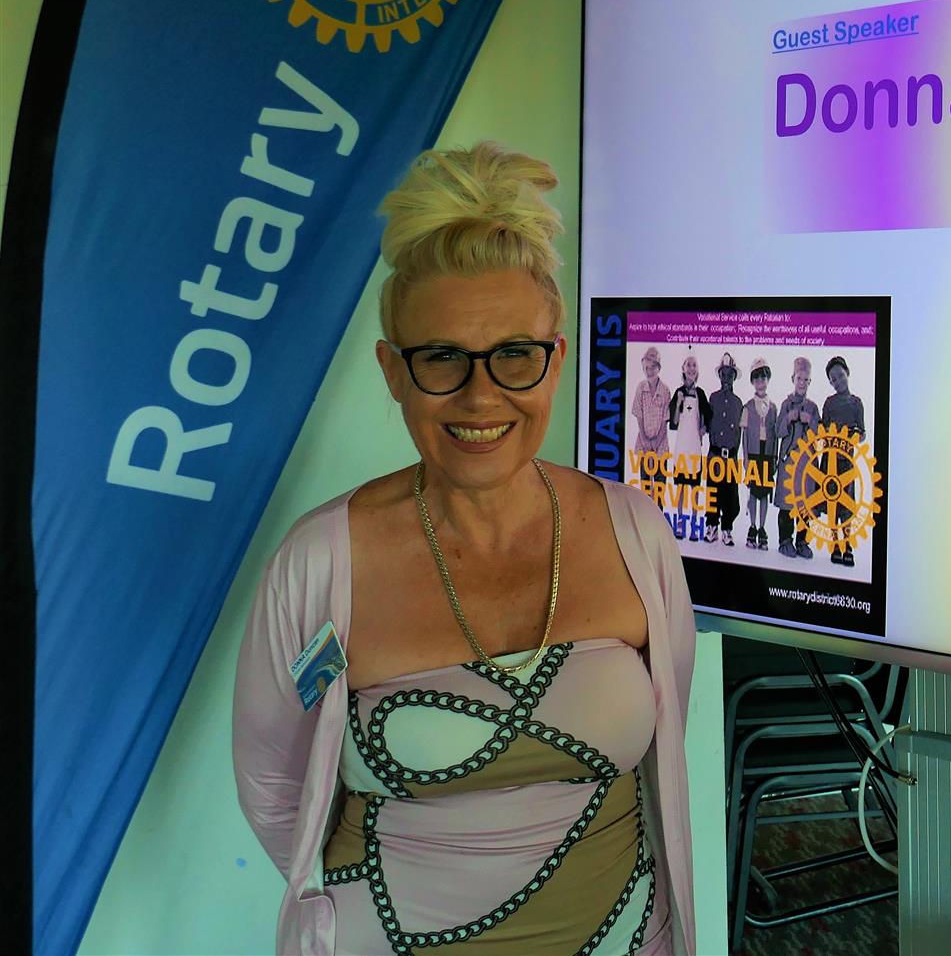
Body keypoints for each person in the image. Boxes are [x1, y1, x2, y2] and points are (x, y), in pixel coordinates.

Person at [232, 143, 695, 956]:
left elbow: (666, 741)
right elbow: (275, 785)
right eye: (441, 357)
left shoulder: (635, 534)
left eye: (514, 354)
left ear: (555, 361)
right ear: (393, 371)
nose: (481, 397)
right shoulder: (322, 565)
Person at [819, 355, 867, 568]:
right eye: (833, 379)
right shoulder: (829, 403)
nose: (838, 381)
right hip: (830, 460)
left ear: (847, 373)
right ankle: (835, 545)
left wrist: (855, 434)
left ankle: (847, 546)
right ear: (830, 383)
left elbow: (862, 433)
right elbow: (822, 430)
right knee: (832, 503)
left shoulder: (857, 403)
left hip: (847, 461)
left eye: (840, 376)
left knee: (847, 505)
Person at [773, 356, 819, 559]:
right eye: (799, 378)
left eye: (806, 379)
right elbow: (778, 431)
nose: (802, 383)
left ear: (810, 382)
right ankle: (785, 541)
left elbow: (820, 436)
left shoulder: (813, 408)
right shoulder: (786, 404)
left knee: (805, 505)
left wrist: (811, 422)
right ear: (793, 378)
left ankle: (802, 542)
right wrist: (788, 418)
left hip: (807, 465)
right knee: (787, 504)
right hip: (788, 462)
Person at [667, 354, 711, 543]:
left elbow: (707, 417)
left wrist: (704, 428)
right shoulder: (678, 392)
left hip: (694, 446)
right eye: (688, 365)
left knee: (694, 487)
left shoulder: (701, 394)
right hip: (681, 446)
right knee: (681, 487)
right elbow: (674, 422)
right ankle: (679, 522)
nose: (691, 368)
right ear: (683, 369)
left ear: (697, 370)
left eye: (694, 365)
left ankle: (693, 522)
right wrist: (678, 402)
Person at [705, 353, 744, 548]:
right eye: (723, 374)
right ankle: (711, 526)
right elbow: (706, 423)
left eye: (730, 375)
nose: (726, 378)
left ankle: (727, 528)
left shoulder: (738, 403)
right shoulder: (713, 398)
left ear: (734, 377)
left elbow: (740, 433)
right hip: (714, 455)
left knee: (730, 496)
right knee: (713, 491)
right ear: (719, 376)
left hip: (731, 458)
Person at [740, 359, 777, 550]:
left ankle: (762, 527)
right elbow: (744, 435)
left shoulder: (773, 408)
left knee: (764, 493)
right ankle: (752, 526)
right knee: (753, 492)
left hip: (767, 455)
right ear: (752, 382)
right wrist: (746, 458)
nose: (760, 381)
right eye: (756, 378)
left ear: (768, 379)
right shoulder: (747, 406)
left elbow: (776, 436)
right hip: (754, 453)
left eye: (763, 377)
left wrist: (774, 458)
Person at [630, 345, 671, 490]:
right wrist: (646, 441)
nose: (649, 371)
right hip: (644, 444)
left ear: (658, 368)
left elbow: (665, 420)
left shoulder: (665, 390)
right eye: (646, 368)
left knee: (660, 487)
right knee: (645, 487)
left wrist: (655, 443)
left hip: (661, 445)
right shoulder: (641, 388)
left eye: (652, 367)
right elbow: (639, 416)